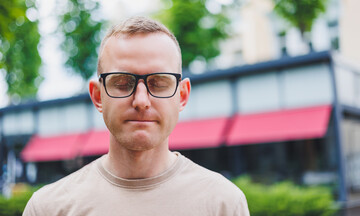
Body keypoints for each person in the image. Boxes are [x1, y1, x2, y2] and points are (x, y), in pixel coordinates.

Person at [23, 16, 249, 216]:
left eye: (159, 83)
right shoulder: (48, 209)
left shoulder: (224, 204)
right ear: (98, 96)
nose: (141, 101)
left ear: (182, 96)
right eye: (122, 83)